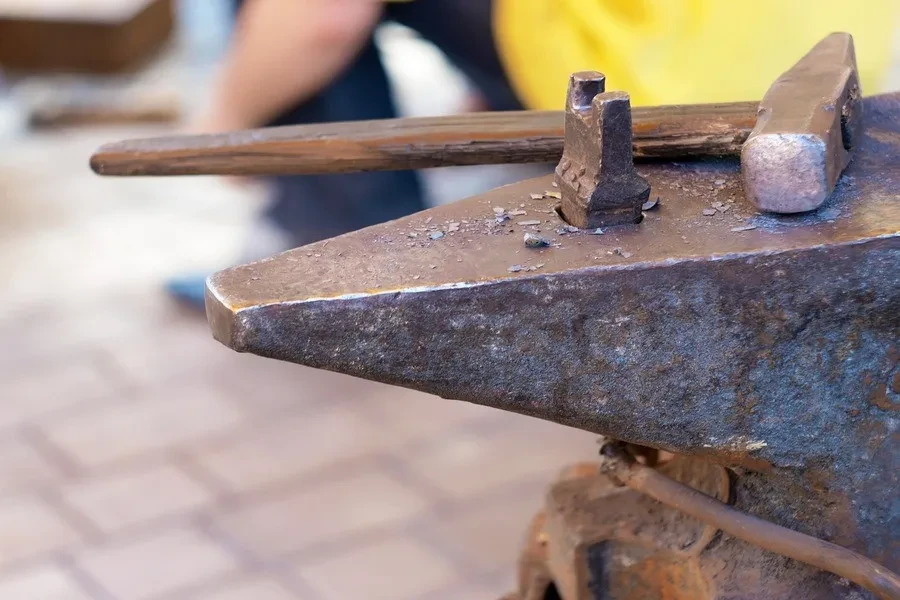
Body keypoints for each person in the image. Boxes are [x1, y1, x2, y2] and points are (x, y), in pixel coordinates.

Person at [168, 0, 899, 307]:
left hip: (686, 81)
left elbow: (323, 21)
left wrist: (228, 125)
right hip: (852, 49)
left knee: (281, 18)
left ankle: (332, 260)